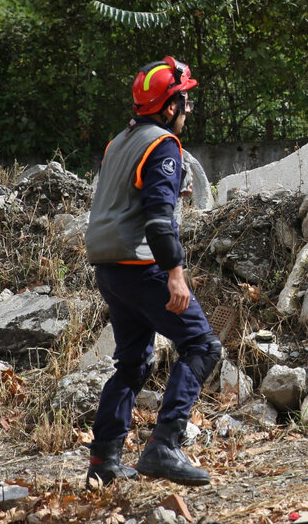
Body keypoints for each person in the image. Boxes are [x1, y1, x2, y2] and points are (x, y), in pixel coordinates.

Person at [84, 56, 220, 487]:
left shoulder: (118, 142)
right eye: (185, 101)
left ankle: (104, 461)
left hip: (108, 268)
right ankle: (164, 446)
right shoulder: (162, 144)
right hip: (143, 267)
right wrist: (175, 273)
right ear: (168, 107)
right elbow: (160, 218)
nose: (188, 110)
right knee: (201, 345)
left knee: (132, 363)